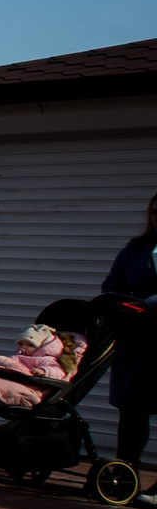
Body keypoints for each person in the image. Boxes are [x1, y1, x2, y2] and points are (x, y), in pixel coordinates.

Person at [103, 193, 157, 485]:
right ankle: (125, 474)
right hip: (136, 342)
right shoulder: (135, 250)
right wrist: (122, 305)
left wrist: (149, 304)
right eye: (154, 212)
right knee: (133, 410)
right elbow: (111, 287)